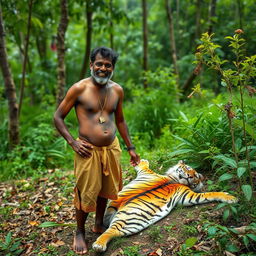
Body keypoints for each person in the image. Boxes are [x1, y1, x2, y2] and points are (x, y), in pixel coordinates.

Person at [54, 46, 140, 255]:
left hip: (111, 148)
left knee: (105, 187)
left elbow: (119, 119)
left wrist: (131, 148)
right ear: (91, 65)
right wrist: (73, 142)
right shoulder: (79, 89)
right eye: (99, 64)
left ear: (113, 68)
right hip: (87, 150)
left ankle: (99, 223)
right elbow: (57, 117)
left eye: (108, 65)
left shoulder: (117, 90)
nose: (103, 68)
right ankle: (80, 231)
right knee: (85, 191)